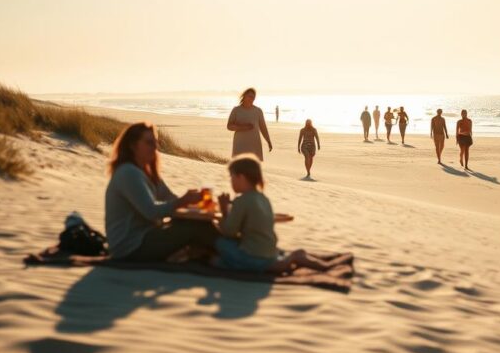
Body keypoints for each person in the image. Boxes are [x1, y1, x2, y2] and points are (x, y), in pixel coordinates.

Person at [104, 122, 217, 261]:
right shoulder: (128, 172)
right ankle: (231, 254)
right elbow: (151, 211)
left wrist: (193, 202)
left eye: (155, 142)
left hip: (148, 235)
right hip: (130, 246)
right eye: (149, 143)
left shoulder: (148, 172)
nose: (155, 147)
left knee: (195, 223)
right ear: (132, 146)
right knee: (194, 228)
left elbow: (169, 198)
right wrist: (182, 201)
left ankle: (219, 253)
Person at [214, 153, 345, 273]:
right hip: (271, 251)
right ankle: (286, 260)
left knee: (221, 243)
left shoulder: (241, 200)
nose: (230, 180)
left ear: (241, 177)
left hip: (255, 256)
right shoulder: (262, 198)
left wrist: (224, 209)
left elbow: (229, 232)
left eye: (231, 176)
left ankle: (281, 264)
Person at [227, 88, 272, 160]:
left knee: (253, 165)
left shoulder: (258, 111)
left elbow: (263, 128)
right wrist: (243, 127)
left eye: (253, 97)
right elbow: (229, 126)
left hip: (254, 144)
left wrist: (268, 141)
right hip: (240, 144)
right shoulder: (236, 110)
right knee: (240, 165)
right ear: (244, 96)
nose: (252, 99)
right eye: (250, 96)